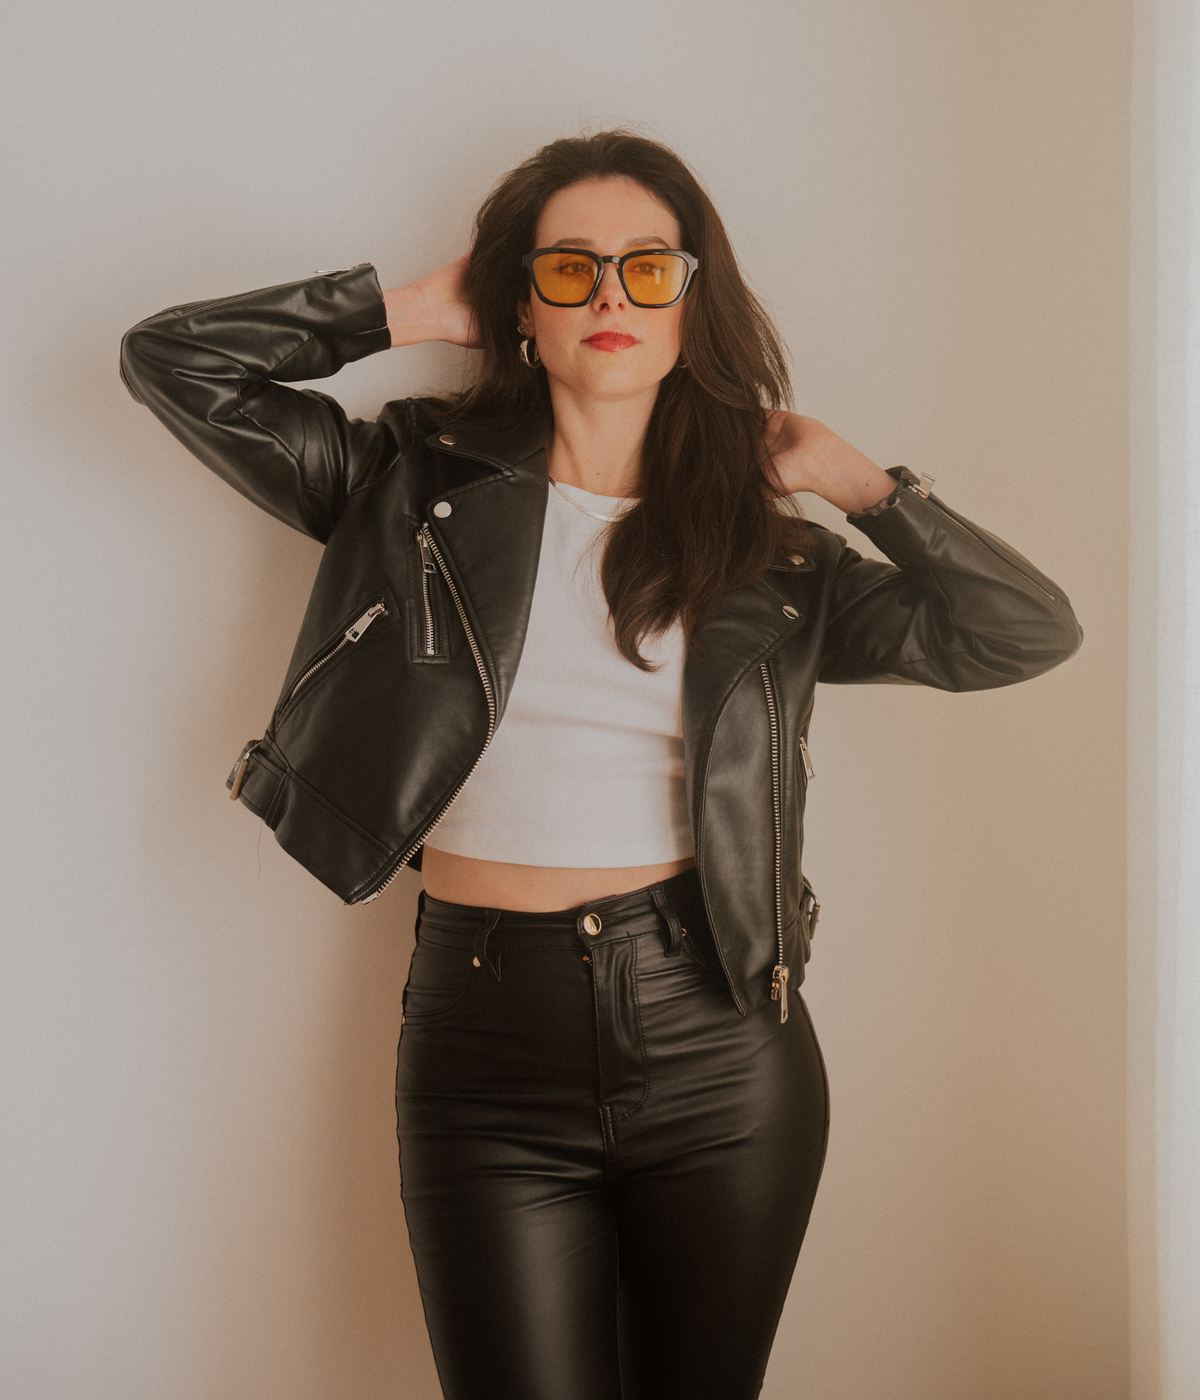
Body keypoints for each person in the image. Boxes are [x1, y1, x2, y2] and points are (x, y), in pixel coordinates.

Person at [120, 130, 1082, 1400]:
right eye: (569, 268)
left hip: (720, 1037)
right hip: (481, 1046)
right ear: (521, 304)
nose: (611, 294)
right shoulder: (404, 485)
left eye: (648, 267)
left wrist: (860, 484)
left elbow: (1021, 630)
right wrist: (409, 309)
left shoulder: (772, 557)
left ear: (692, 301)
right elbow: (173, 362)